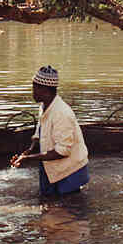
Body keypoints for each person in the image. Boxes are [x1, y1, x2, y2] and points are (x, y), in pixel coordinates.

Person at [11, 66, 90, 196]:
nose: (33, 92)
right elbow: (40, 133)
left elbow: (63, 151)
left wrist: (28, 158)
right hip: (52, 166)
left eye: (35, 88)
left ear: (44, 90)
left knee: (67, 208)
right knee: (51, 205)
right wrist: (29, 151)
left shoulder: (62, 113)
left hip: (70, 171)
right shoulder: (44, 106)